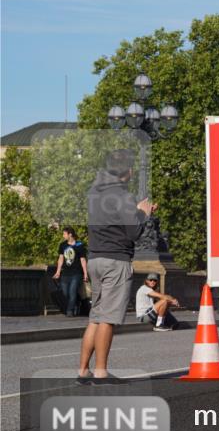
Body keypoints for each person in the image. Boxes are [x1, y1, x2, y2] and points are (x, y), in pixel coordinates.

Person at [79, 149, 153, 384]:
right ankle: (101, 372)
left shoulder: (95, 192)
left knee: (95, 317)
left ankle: (83, 371)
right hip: (115, 260)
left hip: (95, 258)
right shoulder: (122, 195)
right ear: (128, 171)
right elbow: (134, 233)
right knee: (108, 319)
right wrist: (144, 213)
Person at [54, 227, 88, 317]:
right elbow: (61, 258)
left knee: (72, 292)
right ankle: (75, 303)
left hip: (76, 273)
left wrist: (85, 273)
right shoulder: (62, 245)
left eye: (64, 234)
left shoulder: (79, 245)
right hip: (65, 273)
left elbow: (83, 260)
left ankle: (70, 310)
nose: (63, 236)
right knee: (65, 293)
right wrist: (58, 271)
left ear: (70, 234)